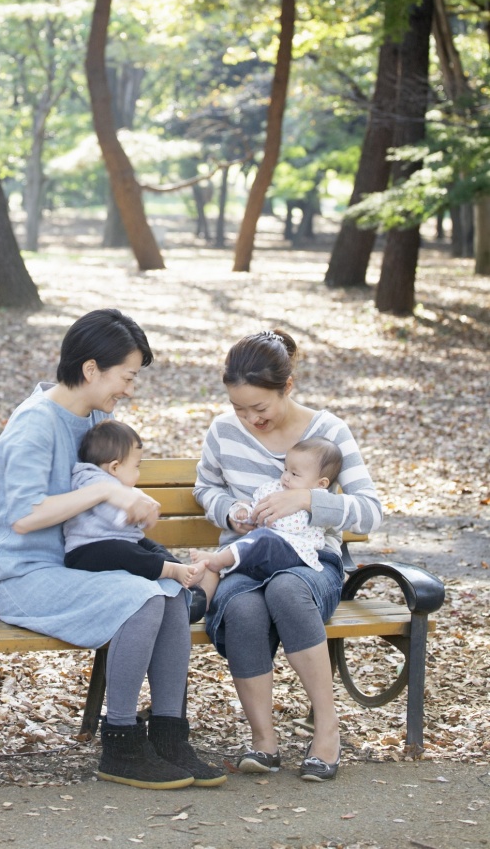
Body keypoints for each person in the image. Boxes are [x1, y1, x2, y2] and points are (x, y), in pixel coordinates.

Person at [0, 309, 226, 790]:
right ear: (91, 369)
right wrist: (104, 492)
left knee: (170, 590)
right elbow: (25, 516)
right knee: (143, 595)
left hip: (80, 568)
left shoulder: (95, 418)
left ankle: (170, 735)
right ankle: (119, 743)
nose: (130, 389)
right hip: (27, 577)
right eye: (127, 376)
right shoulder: (34, 424)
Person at [194, 329, 383, 782]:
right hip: (244, 558)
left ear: (288, 387)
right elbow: (206, 488)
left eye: (260, 407)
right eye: (239, 407)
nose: (249, 419)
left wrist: (308, 502)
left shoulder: (329, 431)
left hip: (310, 561)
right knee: (240, 606)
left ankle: (326, 730)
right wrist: (233, 512)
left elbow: (371, 513)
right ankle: (264, 741)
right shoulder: (223, 431)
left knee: (286, 588)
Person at [63, 420, 215, 595]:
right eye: (136, 466)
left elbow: (135, 501)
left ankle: (183, 574)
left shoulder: (116, 485)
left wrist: (148, 507)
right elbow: (112, 513)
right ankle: (172, 571)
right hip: (86, 552)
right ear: (114, 467)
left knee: (151, 547)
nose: (138, 473)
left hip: (116, 542)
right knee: (125, 551)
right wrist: (137, 514)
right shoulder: (92, 481)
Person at [191, 436, 343, 592]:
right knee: (252, 543)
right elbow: (256, 508)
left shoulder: (321, 500)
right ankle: (205, 591)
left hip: (298, 554)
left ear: (321, 483)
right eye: (285, 469)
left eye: (295, 474)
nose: (286, 477)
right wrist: (241, 512)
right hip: (265, 552)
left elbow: (336, 516)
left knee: (262, 538)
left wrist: (306, 501)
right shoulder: (274, 489)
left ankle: (218, 562)